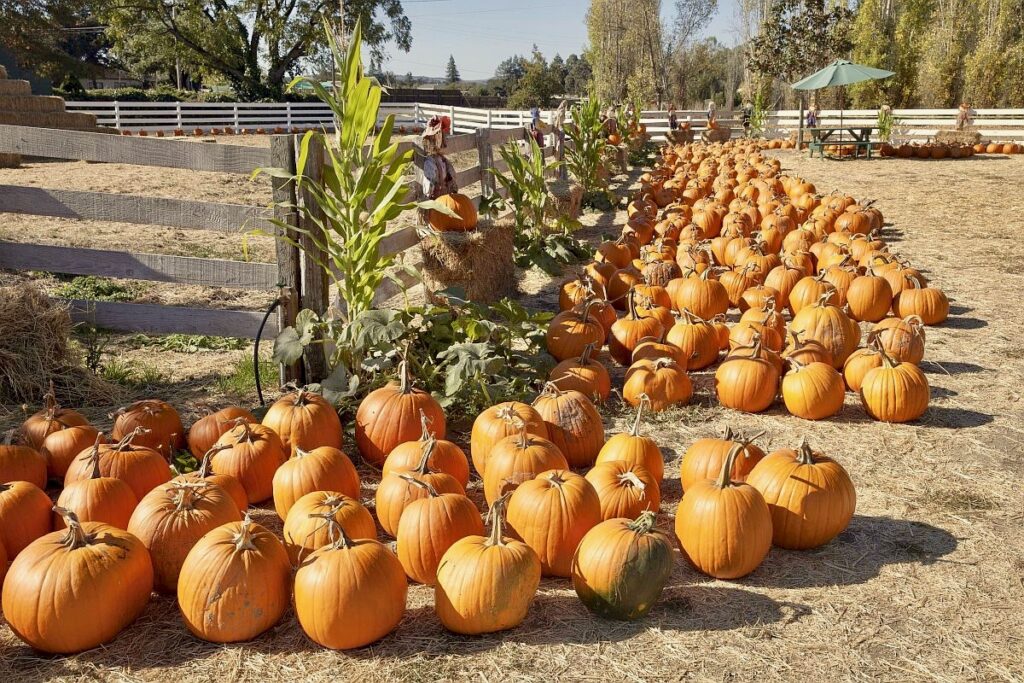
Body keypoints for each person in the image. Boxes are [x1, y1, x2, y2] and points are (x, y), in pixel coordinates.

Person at [419, 116, 457, 222]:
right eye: (436, 136)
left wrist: (452, 187)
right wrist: (428, 196)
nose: (439, 139)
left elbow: (451, 178)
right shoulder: (430, 162)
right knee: (439, 220)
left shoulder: (443, 160)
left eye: (440, 136)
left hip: (446, 198)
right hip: (436, 201)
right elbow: (429, 184)